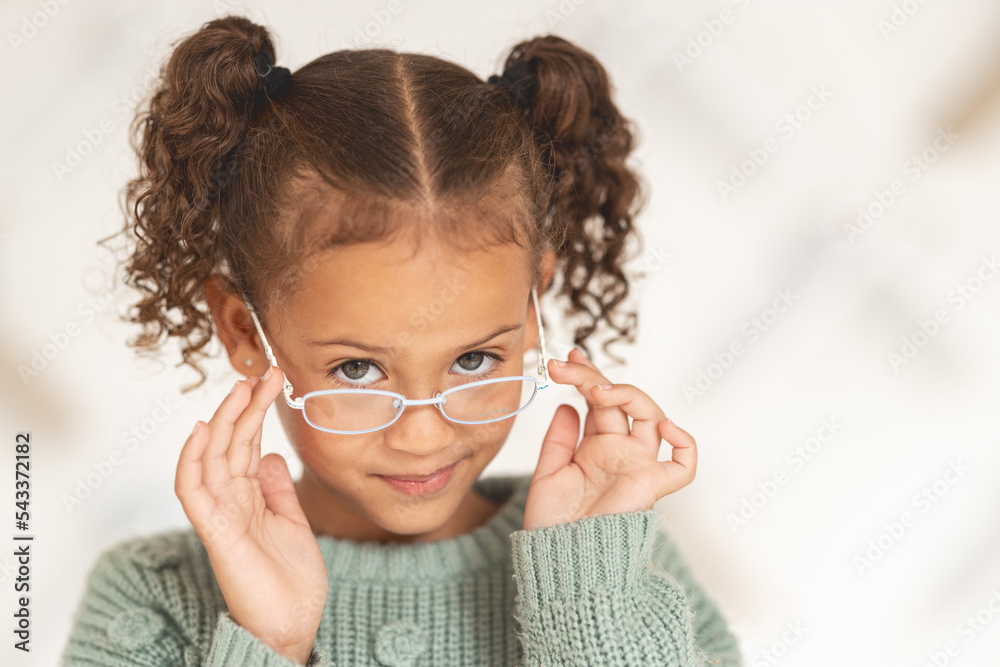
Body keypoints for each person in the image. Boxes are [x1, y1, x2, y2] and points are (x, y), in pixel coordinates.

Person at [60, 14, 741, 666]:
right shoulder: (152, 597)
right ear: (245, 330)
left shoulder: (626, 568)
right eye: (357, 369)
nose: (422, 436)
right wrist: (271, 643)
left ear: (531, 311)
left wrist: (589, 598)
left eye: (473, 360)